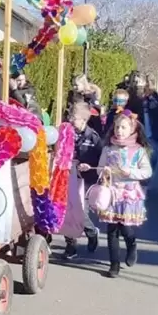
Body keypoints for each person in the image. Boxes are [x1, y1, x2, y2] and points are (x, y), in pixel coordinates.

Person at [95, 111, 152, 278]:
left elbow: (146, 171)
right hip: (112, 193)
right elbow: (99, 167)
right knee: (112, 230)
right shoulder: (108, 148)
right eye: (117, 127)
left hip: (128, 194)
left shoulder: (138, 150)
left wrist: (131, 172)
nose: (119, 130)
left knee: (126, 228)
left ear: (132, 129)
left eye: (124, 127)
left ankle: (131, 244)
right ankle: (114, 264)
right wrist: (102, 171)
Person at [69, 103, 105, 258]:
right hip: (70, 176)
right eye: (70, 116)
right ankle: (71, 245)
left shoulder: (93, 137)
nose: (71, 120)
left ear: (84, 119)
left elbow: (101, 160)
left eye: (74, 118)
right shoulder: (67, 133)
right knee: (68, 211)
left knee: (80, 212)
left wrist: (90, 166)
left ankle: (91, 232)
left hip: (87, 179)